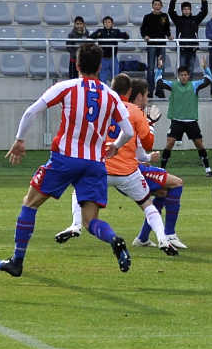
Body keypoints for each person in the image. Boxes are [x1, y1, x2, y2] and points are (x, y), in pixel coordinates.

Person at [0, 43, 134, 277]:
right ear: (99, 67)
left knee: (30, 203)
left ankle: (16, 262)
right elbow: (127, 131)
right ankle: (113, 239)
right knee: (90, 221)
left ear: (77, 65)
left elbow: (31, 112)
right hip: (94, 163)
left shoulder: (67, 87)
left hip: (65, 159)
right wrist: (115, 147)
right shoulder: (111, 95)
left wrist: (20, 140)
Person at [54, 75, 179, 256]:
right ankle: (162, 239)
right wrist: (150, 125)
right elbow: (146, 143)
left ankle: (76, 225)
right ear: (130, 92)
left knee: (78, 191)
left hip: (101, 168)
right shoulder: (135, 112)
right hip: (128, 172)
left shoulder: (101, 107)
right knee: (148, 205)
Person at [157, 57, 212, 177]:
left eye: (185, 74)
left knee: (199, 145)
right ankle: (161, 170)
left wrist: (206, 68)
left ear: (189, 76)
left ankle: (208, 170)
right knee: (169, 144)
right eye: (181, 75)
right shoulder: (173, 85)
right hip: (177, 121)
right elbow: (159, 82)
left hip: (191, 121)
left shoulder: (194, 86)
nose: (183, 77)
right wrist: (159, 68)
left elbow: (209, 80)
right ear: (178, 76)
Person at [168, 0, 208, 78]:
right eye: (184, 9)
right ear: (182, 10)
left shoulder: (195, 19)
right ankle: (181, 90)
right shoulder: (178, 20)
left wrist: (203, 0)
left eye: (188, 9)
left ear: (191, 10)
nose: (186, 11)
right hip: (182, 49)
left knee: (191, 72)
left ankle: (190, 91)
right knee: (181, 72)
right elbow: (171, 12)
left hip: (192, 49)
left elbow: (204, 12)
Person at [140, 0, 174, 97]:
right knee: (150, 68)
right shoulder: (147, 17)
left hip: (161, 44)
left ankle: (160, 89)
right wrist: (145, 36)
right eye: (155, 4)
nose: (157, 6)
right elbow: (142, 29)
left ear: (161, 6)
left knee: (161, 67)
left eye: (158, 4)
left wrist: (169, 36)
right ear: (152, 6)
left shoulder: (164, 16)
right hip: (151, 45)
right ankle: (150, 89)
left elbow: (167, 29)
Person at [89, 16, 130, 84]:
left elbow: (125, 38)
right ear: (103, 24)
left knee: (116, 78)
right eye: (106, 22)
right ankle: (103, 93)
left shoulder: (116, 32)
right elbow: (90, 39)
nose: (107, 24)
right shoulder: (100, 31)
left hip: (113, 58)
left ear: (112, 24)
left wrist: (126, 34)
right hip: (103, 59)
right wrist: (96, 35)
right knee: (103, 78)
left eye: (109, 22)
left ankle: (115, 93)